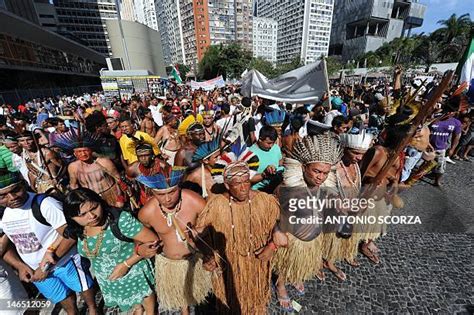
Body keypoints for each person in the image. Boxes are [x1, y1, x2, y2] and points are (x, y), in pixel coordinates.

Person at [196, 144, 287, 314]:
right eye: (237, 183)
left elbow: (282, 224)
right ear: (228, 186)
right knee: (229, 302)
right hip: (228, 265)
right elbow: (199, 232)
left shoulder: (265, 201)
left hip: (257, 263)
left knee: (256, 299)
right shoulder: (216, 205)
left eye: (246, 181)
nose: (244, 187)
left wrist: (271, 247)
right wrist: (208, 255)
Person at [0, 171, 99, 314]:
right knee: (60, 296)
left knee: (83, 286)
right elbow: (5, 245)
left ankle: (93, 308)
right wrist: (20, 266)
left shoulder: (45, 204)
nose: (12, 197)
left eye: (16, 190)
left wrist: (44, 267)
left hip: (65, 261)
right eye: (3, 196)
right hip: (35, 270)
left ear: (23, 185)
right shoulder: (3, 214)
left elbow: (70, 234)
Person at [273, 132, 343, 311]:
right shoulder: (286, 188)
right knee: (284, 265)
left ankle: (295, 276)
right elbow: (273, 215)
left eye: (325, 173)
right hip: (291, 238)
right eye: (317, 171)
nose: (321, 177)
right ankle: (280, 285)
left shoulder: (324, 188)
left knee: (298, 266)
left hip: (313, 237)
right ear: (304, 167)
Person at [63, 188, 158, 314]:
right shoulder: (78, 229)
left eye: (94, 208)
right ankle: (137, 308)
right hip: (111, 281)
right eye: (82, 214)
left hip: (134, 276)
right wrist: (50, 251)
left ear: (100, 202)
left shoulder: (119, 221)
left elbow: (153, 241)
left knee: (149, 307)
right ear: (72, 217)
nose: (92, 216)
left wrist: (126, 264)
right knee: (135, 306)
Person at [136, 165, 212, 314]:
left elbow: (212, 224)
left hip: (196, 259)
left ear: (179, 187)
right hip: (168, 264)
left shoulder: (194, 201)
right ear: (152, 192)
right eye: (161, 194)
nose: (168, 198)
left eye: (172, 192)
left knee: (203, 299)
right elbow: (140, 236)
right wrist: (140, 248)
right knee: (183, 301)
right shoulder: (146, 213)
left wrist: (201, 233)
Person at [320, 131, 373, 280]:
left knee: (343, 238)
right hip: (332, 211)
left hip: (350, 210)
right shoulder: (333, 166)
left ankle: (343, 253)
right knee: (329, 238)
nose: (359, 157)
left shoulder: (356, 164)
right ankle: (326, 261)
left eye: (362, 153)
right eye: (355, 153)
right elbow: (325, 189)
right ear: (344, 149)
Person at [55, 128, 125, 208]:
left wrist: (120, 197)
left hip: (112, 196)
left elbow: (118, 179)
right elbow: (74, 186)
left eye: (85, 150)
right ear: (75, 154)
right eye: (79, 152)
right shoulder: (73, 167)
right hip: (91, 200)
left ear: (91, 151)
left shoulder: (104, 162)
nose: (83, 154)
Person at [429, 98, 462, 186]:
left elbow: (457, 136)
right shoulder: (435, 117)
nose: (449, 113)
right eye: (448, 110)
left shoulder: (456, 122)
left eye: (451, 111)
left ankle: (437, 181)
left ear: (454, 112)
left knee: (440, 167)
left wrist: (452, 149)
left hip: (441, 148)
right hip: (427, 146)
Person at [249, 125, 284, 193]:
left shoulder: (276, 148)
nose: (271, 146)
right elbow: (248, 178)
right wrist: (264, 174)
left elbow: (280, 162)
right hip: (258, 192)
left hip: (275, 189)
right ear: (260, 139)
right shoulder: (250, 154)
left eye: (273, 143)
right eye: (268, 143)